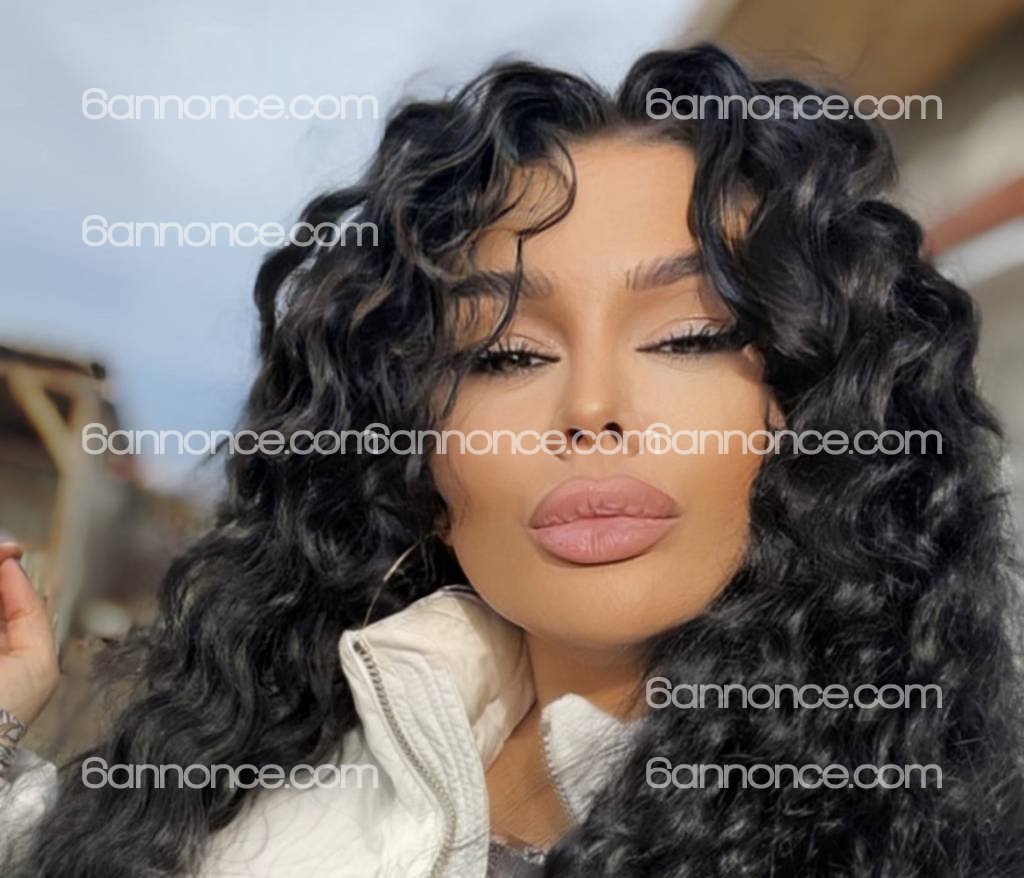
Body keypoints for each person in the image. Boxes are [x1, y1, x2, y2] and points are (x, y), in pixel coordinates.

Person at [2, 43, 1023, 877]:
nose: (588, 410)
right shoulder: (251, 781)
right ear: (416, 460)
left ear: (815, 414)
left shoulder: (946, 827)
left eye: (689, 337)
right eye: (504, 354)